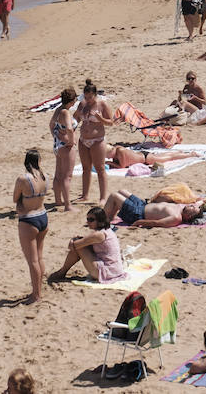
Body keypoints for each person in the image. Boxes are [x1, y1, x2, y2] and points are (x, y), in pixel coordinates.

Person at [47, 206, 127, 284]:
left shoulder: (98, 235)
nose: (88, 222)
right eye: (87, 219)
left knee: (79, 247)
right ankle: (62, 272)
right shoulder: (107, 230)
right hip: (114, 270)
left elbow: (72, 246)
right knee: (81, 245)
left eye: (91, 220)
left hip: (108, 273)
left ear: (99, 220)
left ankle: (62, 272)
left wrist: (73, 240)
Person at [14, 149, 49, 304]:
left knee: (32, 261)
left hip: (28, 219)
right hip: (42, 216)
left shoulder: (23, 179)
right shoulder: (45, 177)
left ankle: (36, 295)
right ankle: (39, 289)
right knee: (39, 257)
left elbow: (15, 198)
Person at [75, 79, 113, 204]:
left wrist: (99, 118)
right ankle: (85, 195)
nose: (88, 99)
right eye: (86, 97)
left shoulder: (102, 105)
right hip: (83, 140)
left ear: (95, 95)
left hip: (97, 141)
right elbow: (75, 120)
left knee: (100, 168)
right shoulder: (82, 104)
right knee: (86, 168)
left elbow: (111, 122)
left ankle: (103, 197)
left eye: (90, 97)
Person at [103, 189, 203, 227]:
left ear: (189, 216)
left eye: (192, 208)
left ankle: (101, 220)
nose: (191, 206)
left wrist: (139, 222)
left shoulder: (176, 218)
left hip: (137, 213)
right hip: (143, 204)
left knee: (114, 196)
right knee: (122, 191)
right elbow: (199, 203)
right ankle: (110, 217)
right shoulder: (181, 208)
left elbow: (157, 223)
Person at [48, 88, 77, 210]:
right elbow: (70, 129)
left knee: (58, 175)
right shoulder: (65, 112)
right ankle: (67, 205)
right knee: (67, 176)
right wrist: (71, 141)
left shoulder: (58, 110)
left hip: (57, 145)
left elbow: (51, 125)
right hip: (65, 147)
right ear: (72, 101)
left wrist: (56, 136)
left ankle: (58, 201)